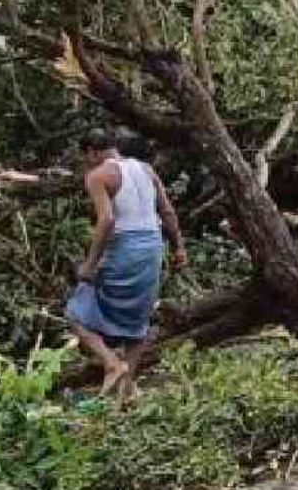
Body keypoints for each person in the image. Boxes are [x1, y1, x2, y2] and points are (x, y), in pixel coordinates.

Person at [66, 130, 186, 399]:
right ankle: (125, 396)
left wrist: (90, 264)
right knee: (136, 323)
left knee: (76, 312)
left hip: (125, 249)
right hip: (153, 248)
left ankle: (111, 362)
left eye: (86, 158)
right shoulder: (145, 169)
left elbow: (107, 220)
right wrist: (179, 247)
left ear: (92, 152)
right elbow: (166, 210)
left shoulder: (97, 176)